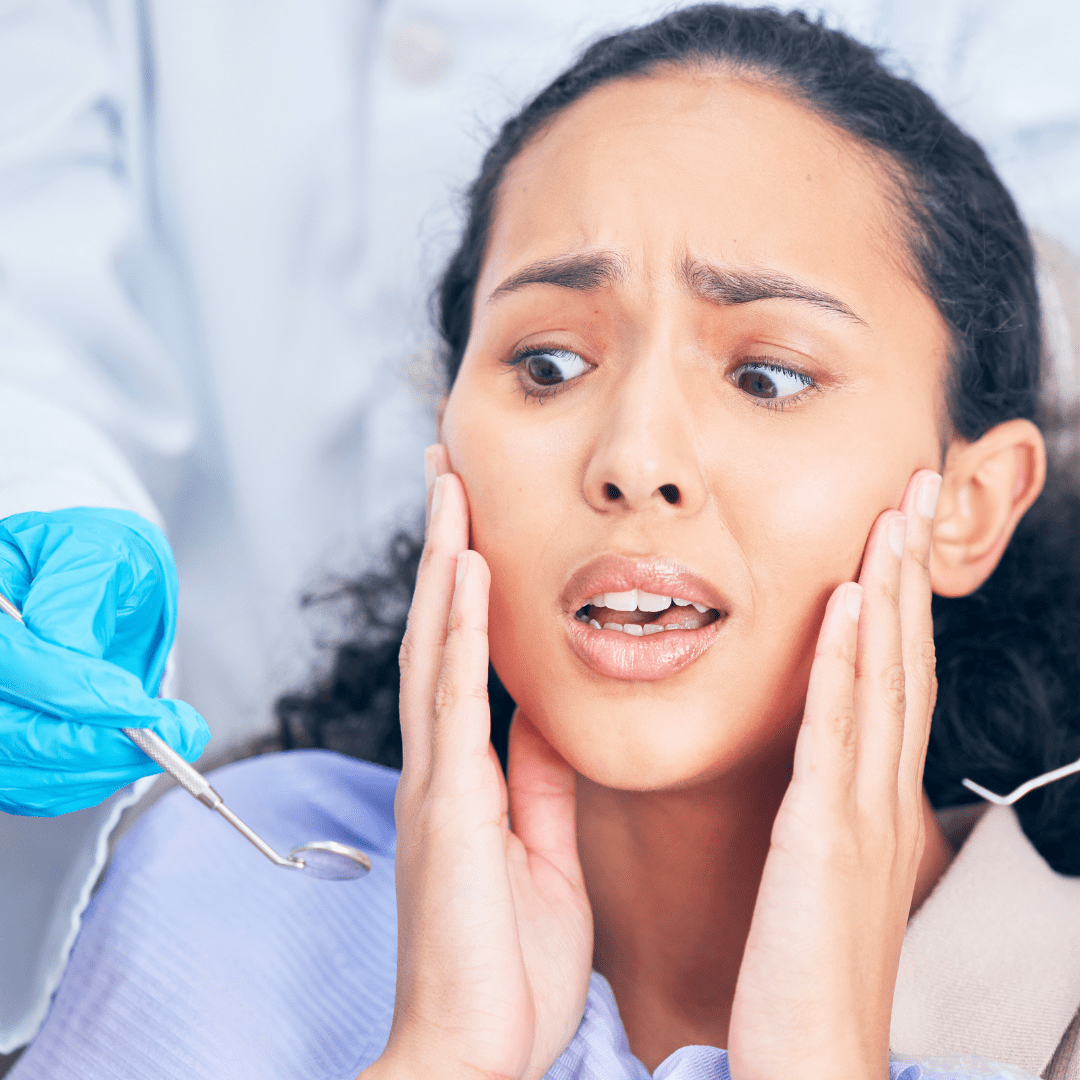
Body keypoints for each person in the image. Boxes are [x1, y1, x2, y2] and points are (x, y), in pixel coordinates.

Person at [9, 6, 1080, 1079]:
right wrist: (445, 1054)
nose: (634, 454)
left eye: (768, 376)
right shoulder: (229, 907)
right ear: (447, 439)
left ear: (971, 504)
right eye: (550, 366)